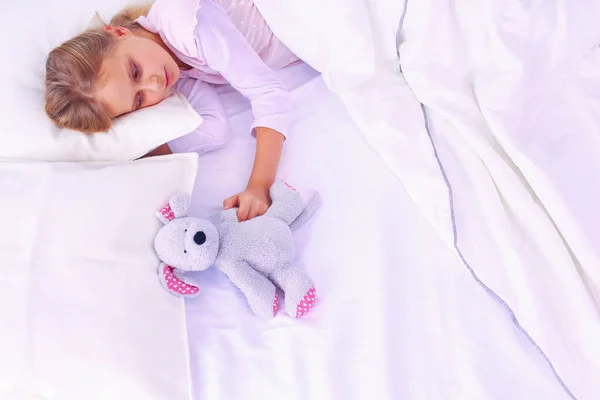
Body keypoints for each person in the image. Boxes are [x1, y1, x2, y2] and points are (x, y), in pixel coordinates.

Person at [45, 0, 300, 221]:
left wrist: (259, 186)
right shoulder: (166, 62)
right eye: (139, 100)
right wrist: (139, 151)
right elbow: (214, 128)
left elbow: (269, 93)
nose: (153, 84)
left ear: (118, 32)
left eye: (135, 71)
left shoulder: (186, 27)